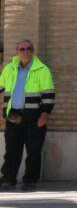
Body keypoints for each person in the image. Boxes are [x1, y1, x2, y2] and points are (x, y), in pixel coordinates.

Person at [0, 40, 56, 191]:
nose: (26, 51)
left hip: (34, 116)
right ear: (17, 52)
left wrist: (44, 115)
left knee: (34, 150)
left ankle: (30, 181)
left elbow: (49, 95)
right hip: (14, 115)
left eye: (29, 49)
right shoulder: (9, 69)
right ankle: (8, 179)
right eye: (22, 49)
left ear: (33, 51)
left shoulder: (42, 70)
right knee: (12, 150)